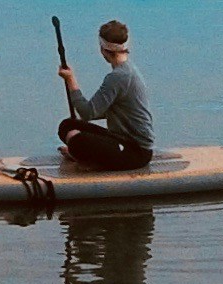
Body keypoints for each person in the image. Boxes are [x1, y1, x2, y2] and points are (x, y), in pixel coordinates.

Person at [55, 17, 156, 171]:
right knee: (67, 126)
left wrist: (70, 79)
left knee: (77, 140)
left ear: (103, 48)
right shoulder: (126, 70)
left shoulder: (118, 77)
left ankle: (82, 155)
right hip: (120, 138)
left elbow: (87, 113)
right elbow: (98, 112)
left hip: (136, 152)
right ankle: (84, 153)